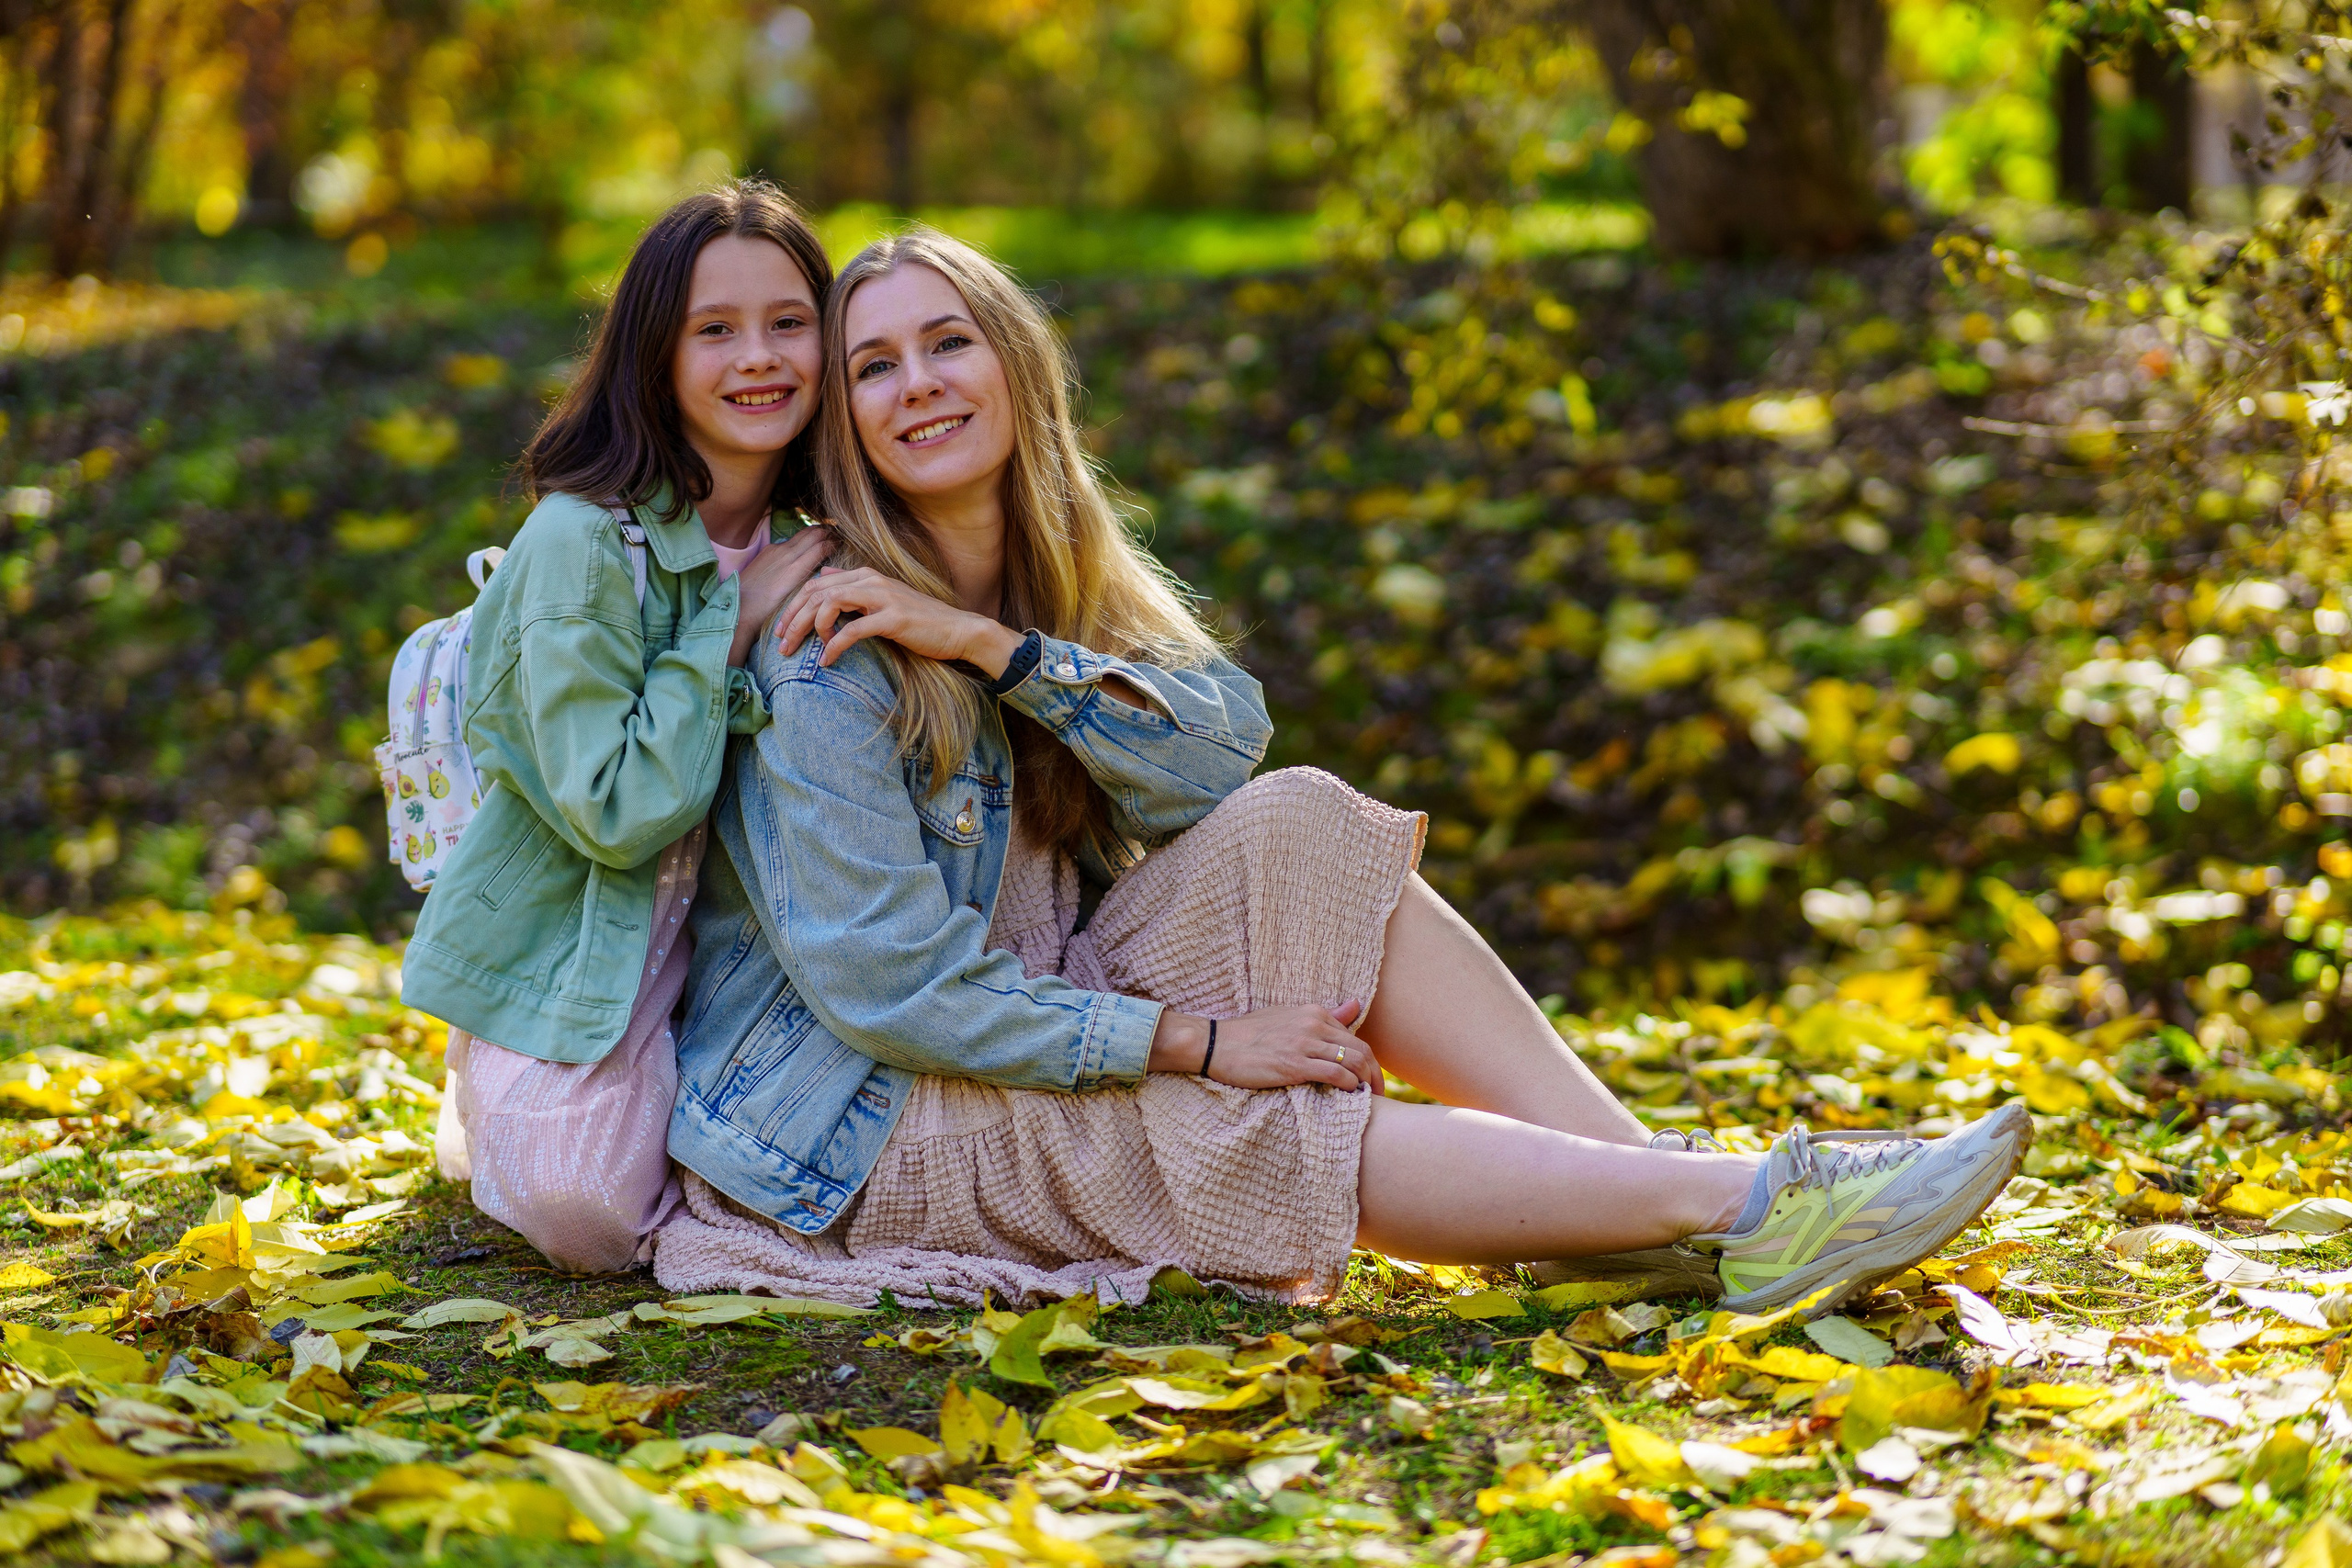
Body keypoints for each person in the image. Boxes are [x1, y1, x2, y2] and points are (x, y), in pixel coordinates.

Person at [652, 227, 2030, 1314]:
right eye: (874, 366)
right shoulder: (830, 653)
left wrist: (1000, 651)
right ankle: (1747, 1207)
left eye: (948, 342)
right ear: (845, 419)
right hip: (861, 1123)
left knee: (1303, 822)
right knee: (1246, 1116)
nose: (917, 385)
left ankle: (1638, 1188)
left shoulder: (1040, 595)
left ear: (1016, 366)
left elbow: (1219, 758)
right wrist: (1196, 1043)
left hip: (1031, 998)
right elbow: (894, 989)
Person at [405, 180, 838, 1272]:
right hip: (579, 962)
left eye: (789, 323)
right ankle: (515, 1105)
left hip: (748, 967)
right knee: (588, 1213)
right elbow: (614, 808)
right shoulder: (583, 544)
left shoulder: (826, 533)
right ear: (655, 353)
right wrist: (732, 624)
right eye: (714, 330)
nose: (759, 358)